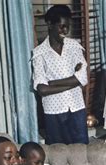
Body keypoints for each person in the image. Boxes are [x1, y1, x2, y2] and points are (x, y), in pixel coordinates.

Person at [32, 4, 89, 145]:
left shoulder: (74, 47)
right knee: (58, 154)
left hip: (77, 109)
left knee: (81, 152)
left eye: (67, 26)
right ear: (50, 25)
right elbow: (42, 89)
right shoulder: (39, 53)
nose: (65, 30)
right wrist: (73, 81)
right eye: (61, 26)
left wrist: (53, 83)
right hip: (54, 112)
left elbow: (83, 78)